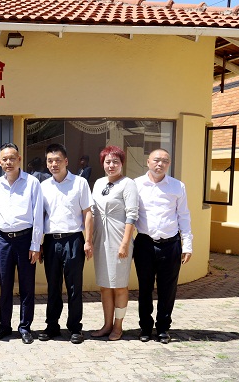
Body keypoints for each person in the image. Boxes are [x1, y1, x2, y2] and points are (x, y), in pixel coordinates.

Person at [134, 148, 193, 344]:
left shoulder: (177, 186)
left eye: (165, 161)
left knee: (168, 290)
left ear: (169, 164)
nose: (160, 164)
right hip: (144, 244)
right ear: (148, 162)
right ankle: (145, 327)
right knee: (144, 288)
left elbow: (183, 216)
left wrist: (187, 245)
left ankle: (163, 328)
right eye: (156, 160)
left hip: (170, 244)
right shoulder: (136, 185)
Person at [0, 143, 43, 344]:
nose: (9, 162)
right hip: (3, 240)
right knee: (5, 285)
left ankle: (25, 327)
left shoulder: (32, 183)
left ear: (19, 159)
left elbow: (38, 215)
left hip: (25, 239)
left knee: (27, 285)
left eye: (12, 158)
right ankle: (4, 326)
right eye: (5, 159)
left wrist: (35, 244)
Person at [40, 143, 93, 345]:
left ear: (66, 161)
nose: (54, 164)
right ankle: (52, 325)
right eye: (50, 161)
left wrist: (88, 241)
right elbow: (40, 216)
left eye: (57, 160)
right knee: (53, 286)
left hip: (73, 240)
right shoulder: (43, 186)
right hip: (51, 241)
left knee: (74, 286)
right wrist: (39, 243)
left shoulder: (80, 183)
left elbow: (87, 212)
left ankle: (75, 327)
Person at [90, 146, 138, 341]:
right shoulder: (99, 183)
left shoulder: (128, 184)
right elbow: (92, 211)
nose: (111, 165)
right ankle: (107, 324)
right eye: (107, 162)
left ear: (122, 164)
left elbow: (132, 215)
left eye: (115, 162)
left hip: (119, 239)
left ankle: (118, 326)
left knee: (119, 285)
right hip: (100, 239)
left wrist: (125, 243)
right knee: (105, 285)